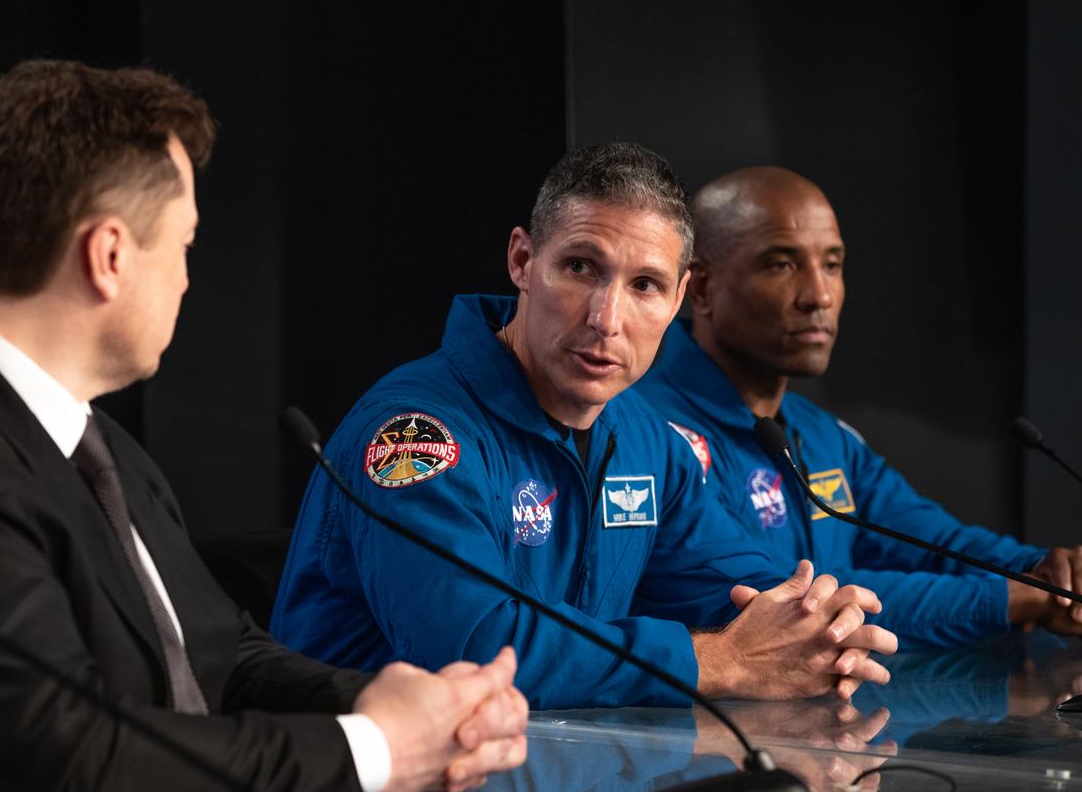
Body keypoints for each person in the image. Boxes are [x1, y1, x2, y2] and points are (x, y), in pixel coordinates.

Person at [0, 60, 529, 792]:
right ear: (111, 255)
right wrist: (377, 749)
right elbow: (67, 767)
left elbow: (216, 650)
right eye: (185, 244)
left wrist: (411, 708)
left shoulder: (80, 432)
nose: (189, 279)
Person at [271, 142, 898, 710]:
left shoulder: (648, 440)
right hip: (375, 788)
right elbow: (475, 650)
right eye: (580, 268)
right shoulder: (416, 434)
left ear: (679, 299)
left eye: (645, 285)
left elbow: (736, 584)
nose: (607, 318)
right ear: (522, 260)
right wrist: (721, 661)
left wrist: (817, 626)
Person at [634, 165, 1082, 649]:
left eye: (832, 264)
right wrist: (1028, 599)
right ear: (703, 288)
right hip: (693, 724)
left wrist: (1060, 574)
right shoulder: (647, 430)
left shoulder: (823, 436)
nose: (819, 295)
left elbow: (939, 545)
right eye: (781, 264)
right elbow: (790, 605)